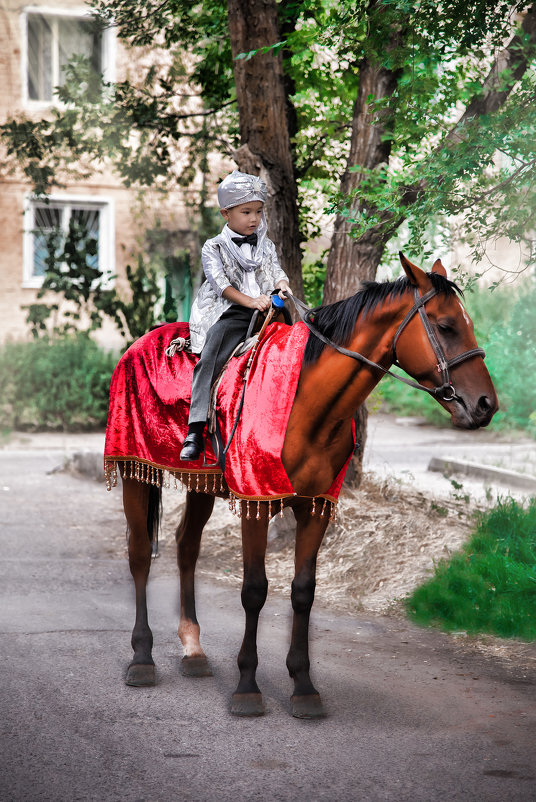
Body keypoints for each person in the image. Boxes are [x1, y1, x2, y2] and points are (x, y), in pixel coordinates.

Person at [180, 170, 291, 461]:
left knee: (298, 343)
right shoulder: (213, 247)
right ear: (226, 213)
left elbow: (275, 270)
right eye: (246, 212)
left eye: (258, 211)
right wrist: (251, 302)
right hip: (231, 312)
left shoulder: (265, 244)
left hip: (266, 309)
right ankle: (196, 428)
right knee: (211, 355)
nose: (254, 219)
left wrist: (282, 284)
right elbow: (222, 286)